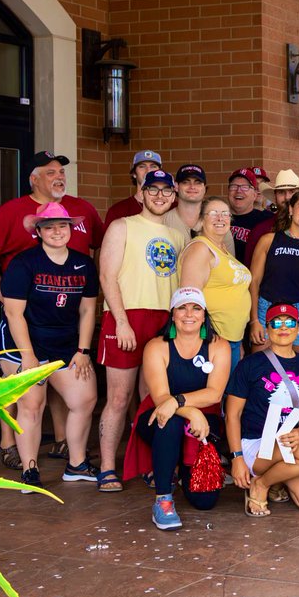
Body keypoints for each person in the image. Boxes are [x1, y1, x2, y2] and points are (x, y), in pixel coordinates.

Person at [0, 150, 103, 470]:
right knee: (21, 389)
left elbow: (99, 244)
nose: (59, 176)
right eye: (50, 172)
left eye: (61, 171)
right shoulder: (12, 211)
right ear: (33, 178)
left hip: (65, 317)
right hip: (26, 315)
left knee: (68, 390)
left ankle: (65, 446)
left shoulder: (81, 208)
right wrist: (0, 288)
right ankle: (9, 445)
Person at [96, 168, 187, 492]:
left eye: (166, 191)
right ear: (141, 192)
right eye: (153, 190)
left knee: (153, 398)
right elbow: (107, 277)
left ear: (173, 196)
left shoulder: (180, 236)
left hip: (163, 320)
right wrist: (121, 320)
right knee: (119, 397)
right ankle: (107, 467)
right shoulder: (122, 226)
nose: (160, 196)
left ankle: (152, 465)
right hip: (127, 315)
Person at [1, 202, 100, 488]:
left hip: (66, 340)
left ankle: (77, 463)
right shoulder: (24, 263)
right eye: (50, 226)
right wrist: (28, 356)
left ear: (70, 228)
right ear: (39, 232)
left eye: (63, 225)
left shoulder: (84, 264)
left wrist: (83, 351)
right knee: (32, 403)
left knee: (84, 399)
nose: (57, 231)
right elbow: (13, 313)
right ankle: (29, 470)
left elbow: (86, 311)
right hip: (25, 340)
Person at [130, 288, 231, 529]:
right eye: (182, 308)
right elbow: (161, 397)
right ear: (172, 315)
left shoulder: (219, 346)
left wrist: (179, 402)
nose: (189, 314)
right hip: (158, 415)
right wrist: (191, 411)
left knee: (204, 501)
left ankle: (178, 470)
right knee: (171, 423)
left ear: (204, 315)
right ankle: (163, 500)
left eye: (196, 308)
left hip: (205, 422)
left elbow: (215, 393)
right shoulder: (157, 346)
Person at [226, 302, 299, 517]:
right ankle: (261, 485)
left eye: (290, 322)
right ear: (267, 329)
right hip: (258, 445)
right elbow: (232, 414)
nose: (284, 328)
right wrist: (236, 457)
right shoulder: (250, 364)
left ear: (298, 328)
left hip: (292, 443)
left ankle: (273, 480)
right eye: (276, 323)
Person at [179, 195, 252, 368]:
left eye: (225, 213)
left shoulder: (221, 249)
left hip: (231, 338)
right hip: (212, 338)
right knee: (214, 393)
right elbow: (189, 299)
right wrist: (203, 339)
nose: (220, 218)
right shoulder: (200, 248)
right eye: (213, 213)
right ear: (201, 220)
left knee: (227, 392)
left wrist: (238, 341)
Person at [248, 186, 299, 354]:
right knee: (261, 367)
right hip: (266, 308)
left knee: (297, 372)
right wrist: (254, 320)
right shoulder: (268, 240)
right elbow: (253, 281)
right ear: (291, 209)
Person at [246, 170, 299, 265]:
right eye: (281, 192)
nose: (287, 197)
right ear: (275, 196)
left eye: (292, 192)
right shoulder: (261, 230)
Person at [163, 164, 236, 254]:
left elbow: (230, 264)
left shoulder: (219, 224)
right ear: (176, 187)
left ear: (204, 188)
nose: (192, 186)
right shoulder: (163, 221)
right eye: (186, 182)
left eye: (198, 182)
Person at [103, 149, 161, 227]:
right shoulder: (117, 211)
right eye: (142, 166)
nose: (148, 171)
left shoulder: (172, 207)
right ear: (134, 173)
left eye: (153, 166)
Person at [227, 168, 274, 260]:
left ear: (254, 195)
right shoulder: (217, 217)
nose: (239, 191)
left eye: (245, 187)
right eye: (234, 186)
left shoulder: (267, 221)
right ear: (228, 191)